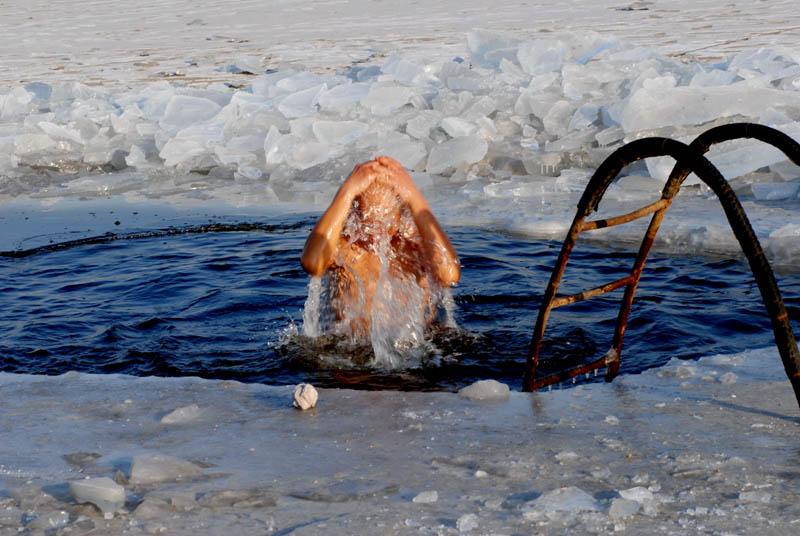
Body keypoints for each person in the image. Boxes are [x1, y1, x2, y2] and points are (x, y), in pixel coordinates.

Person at [301, 156, 459, 337]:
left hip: (413, 345)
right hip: (352, 348)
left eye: (384, 223)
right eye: (367, 222)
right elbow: (312, 263)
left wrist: (413, 196)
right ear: (352, 213)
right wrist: (346, 191)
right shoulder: (345, 245)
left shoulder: (413, 246)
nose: (375, 235)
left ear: (401, 216)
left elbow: (449, 275)